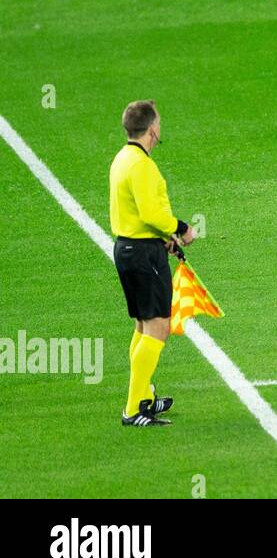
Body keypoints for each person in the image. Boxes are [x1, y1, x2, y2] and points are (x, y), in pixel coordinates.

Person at [109, 100, 195, 426]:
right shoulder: (142, 166)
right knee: (158, 326)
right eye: (159, 123)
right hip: (144, 255)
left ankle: (143, 395)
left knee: (143, 325)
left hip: (129, 248)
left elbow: (133, 213)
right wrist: (181, 229)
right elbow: (151, 213)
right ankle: (133, 408)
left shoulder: (122, 159)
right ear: (152, 129)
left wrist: (162, 240)